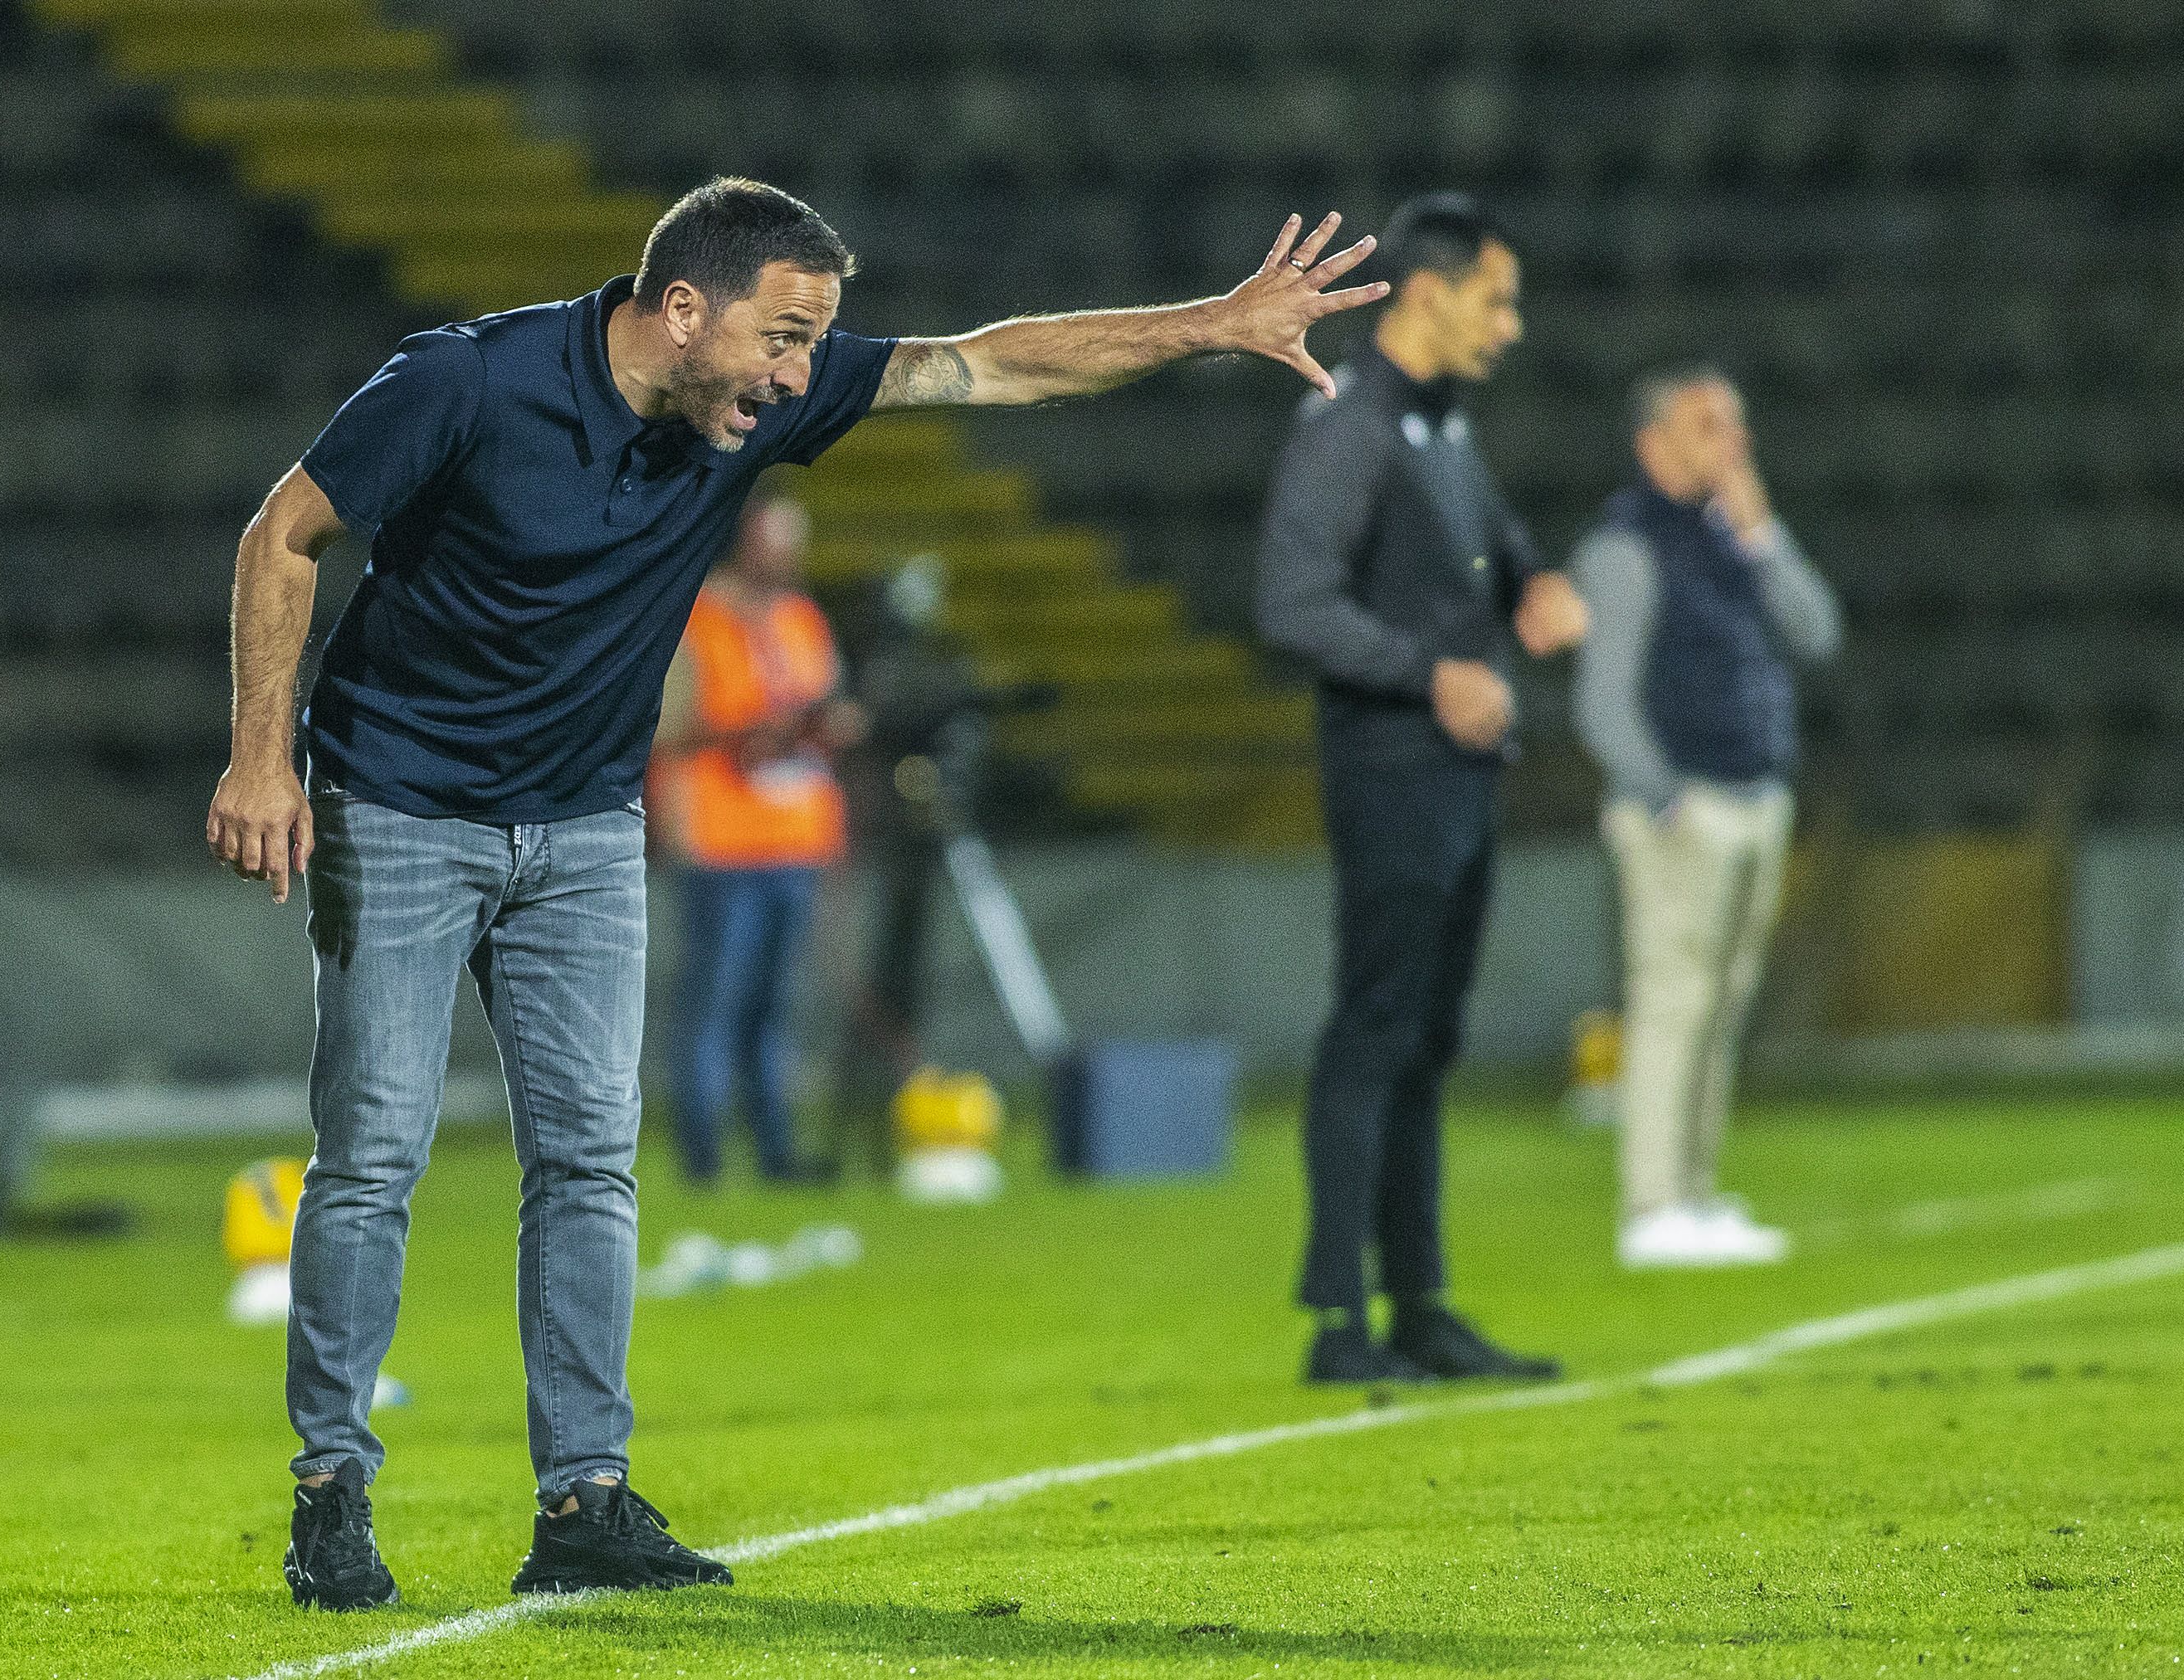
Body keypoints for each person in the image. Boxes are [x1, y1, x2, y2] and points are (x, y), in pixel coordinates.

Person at [203, 176, 1389, 1610]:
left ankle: (582, 1497)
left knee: (587, 1162)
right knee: (375, 1153)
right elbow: (285, 531)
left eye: (811, 342)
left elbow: (990, 360)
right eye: (781, 335)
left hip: (582, 826)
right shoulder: (467, 380)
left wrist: (1208, 324)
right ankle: (331, 1490)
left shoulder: (747, 400)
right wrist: (261, 759)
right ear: (682, 306)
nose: (794, 372)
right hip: (396, 807)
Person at [1255, 192, 1588, 1388]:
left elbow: (1491, 551)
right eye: (1496, 298)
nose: (1511, 324)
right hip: (1391, 768)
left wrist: (1532, 588)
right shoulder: (1349, 424)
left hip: (1455, 776)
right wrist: (1429, 673)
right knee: (1372, 1031)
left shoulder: (1442, 428)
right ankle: (1339, 1320)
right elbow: (1293, 602)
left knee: (1422, 1041)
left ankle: (1420, 1301)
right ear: (1432, 294)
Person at [1567, 365, 1841, 1270]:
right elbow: (1602, 702)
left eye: (1735, 424)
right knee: (1671, 1008)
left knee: (1717, 1011)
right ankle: (1651, 1207)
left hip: (1756, 800)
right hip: (1685, 809)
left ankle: (1691, 1192)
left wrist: (1762, 531)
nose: (1733, 443)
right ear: (1653, 445)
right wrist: (1662, 797)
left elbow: (1815, 632)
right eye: (1706, 425)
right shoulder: (1626, 546)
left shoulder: (1732, 539)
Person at [651, 492, 855, 1185]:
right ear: (745, 540)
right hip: (724, 838)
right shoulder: (697, 619)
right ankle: (703, 1155)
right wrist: (748, 736)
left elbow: (821, 708)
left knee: (774, 1005)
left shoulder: (802, 619)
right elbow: (666, 727)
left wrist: (827, 728)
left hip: (795, 837)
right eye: (773, 540)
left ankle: (775, 1150)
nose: (785, 556)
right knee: (714, 1001)